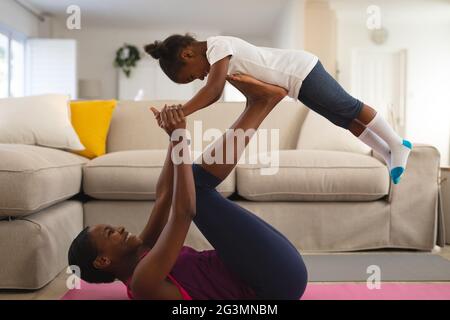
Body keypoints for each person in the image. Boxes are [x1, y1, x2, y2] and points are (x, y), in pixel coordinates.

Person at [68, 74, 308, 300]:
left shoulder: (144, 248)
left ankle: (260, 103)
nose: (119, 228)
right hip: (274, 283)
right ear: (103, 261)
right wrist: (180, 137)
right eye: (110, 233)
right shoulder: (142, 282)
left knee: (193, 181)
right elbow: (184, 213)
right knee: (196, 186)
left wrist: (171, 138)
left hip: (272, 269)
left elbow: (164, 196)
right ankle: (260, 104)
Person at [144, 34, 412, 184]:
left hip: (302, 70)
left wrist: (181, 111)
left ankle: (397, 144)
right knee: (343, 120)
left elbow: (212, 92)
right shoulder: (220, 62)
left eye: (191, 77)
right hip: (295, 84)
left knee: (349, 107)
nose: (200, 79)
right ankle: (386, 153)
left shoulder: (217, 46)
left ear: (187, 55)